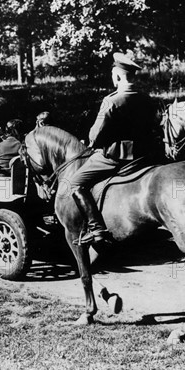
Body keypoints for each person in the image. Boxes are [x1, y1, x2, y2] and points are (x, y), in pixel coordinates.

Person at [68, 52, 162, 246]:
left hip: (117, 157)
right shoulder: (146, 98)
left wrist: (92, 143)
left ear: (117, 75)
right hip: (145, 155)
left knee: (76, 183)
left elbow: (95, 136)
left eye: (113, 74)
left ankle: (96, 229)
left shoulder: (111, 101)